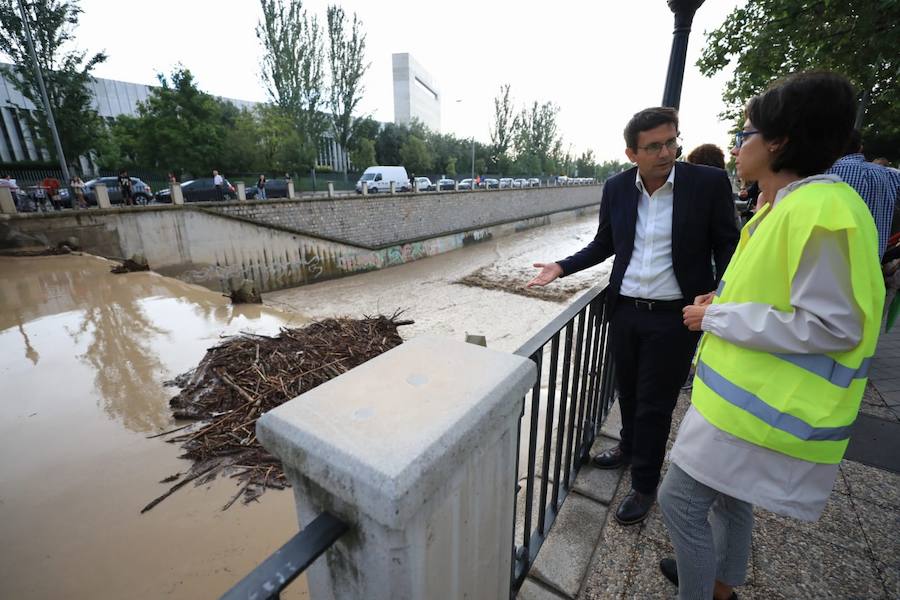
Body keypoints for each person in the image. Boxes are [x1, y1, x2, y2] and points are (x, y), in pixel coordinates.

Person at [657, 71, 885, 600]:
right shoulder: (786, 205)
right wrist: (723, 303)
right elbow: (778, 296)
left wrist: (717, 319)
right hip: (747, 402)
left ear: (779, 142)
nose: (737, 147)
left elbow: (835, 325)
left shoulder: (820, 210)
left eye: (745, 134)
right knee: (730, 498)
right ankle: (719, 585)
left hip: (764, 408)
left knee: (680, 502)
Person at [527, 107, 739, 526]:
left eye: (672, 141)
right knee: (627, 391)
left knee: (655, 406)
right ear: (631, 153)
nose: (667, 151)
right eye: (654, 146)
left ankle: (644, 485)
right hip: (624, 311)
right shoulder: (618, 188)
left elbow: (727, 244)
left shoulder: (707, 183)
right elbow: (604, 242)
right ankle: (627, 447)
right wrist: (562, 267)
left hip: (673, 318)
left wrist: (721, 289)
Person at [826, 130, 900, 258]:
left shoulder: (822, 174)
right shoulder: (890, 176)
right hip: (871, 269)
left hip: (827, 265)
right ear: (860, 148)